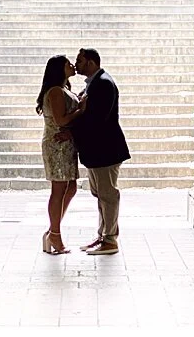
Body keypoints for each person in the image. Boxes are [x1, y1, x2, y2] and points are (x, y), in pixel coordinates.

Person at [67, 47, 130, 256]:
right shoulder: (95, 83)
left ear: (91, 62)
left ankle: (110, 240)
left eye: (79, 60)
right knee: (100, 195)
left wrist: (71, 131)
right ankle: (103, 235)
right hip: (97, 151)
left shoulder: (103, 84)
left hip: (106, 150)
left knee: (108, 195)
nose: (76, 64)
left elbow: (96, 119)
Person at [36, 54, 87, 255]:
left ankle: (52, 230)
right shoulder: (56, 91)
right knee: (58, 189)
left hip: (66, 144)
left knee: (70, 187)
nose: (73, 65)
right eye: (68, 64)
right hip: (57, 144)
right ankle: (55, 234)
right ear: (59, 69)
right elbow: (61, 120)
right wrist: (81, 109)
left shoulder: (64, 88)